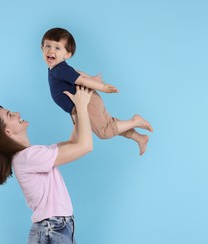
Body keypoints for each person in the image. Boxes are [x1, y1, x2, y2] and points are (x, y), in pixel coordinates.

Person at [0, 86, 93, 244]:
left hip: (63, 229)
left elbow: (74, 142)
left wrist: (75, 110)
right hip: (52, 231)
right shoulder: (27, 157)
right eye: (10, 115)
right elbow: (85, 146)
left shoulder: (34, 154)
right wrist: (83, 106)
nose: (17, 113)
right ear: (7, 132)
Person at [41, 27, 153, 155]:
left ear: (67, 54)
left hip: (88, 103)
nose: (50, 50)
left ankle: (135, 121)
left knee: (104, 132)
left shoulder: (59, 70)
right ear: (42, 48)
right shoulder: (58, 68)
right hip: (88, 102)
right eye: (47, 46)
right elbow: (77, 73)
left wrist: (103, 88)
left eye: (57, 48)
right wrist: (91, 78)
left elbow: (81, 80)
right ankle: (139, 138)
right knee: (109, 124)